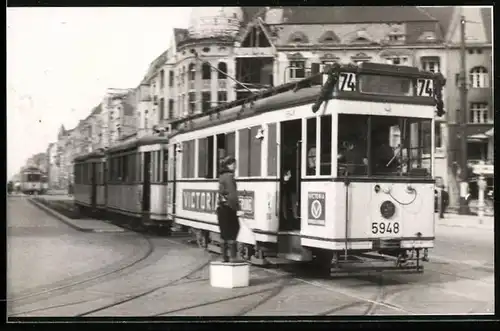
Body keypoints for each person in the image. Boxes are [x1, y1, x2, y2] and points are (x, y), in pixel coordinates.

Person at [217, 156, 241, 263]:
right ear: (229, 165)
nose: (235, 166)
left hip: (221, 208)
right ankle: (233, 257)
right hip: (228, 207)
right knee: (233, 230)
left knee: (224, 233)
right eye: (233, 164)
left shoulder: (221, 176)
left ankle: (224, 257)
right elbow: (232, 195)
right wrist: (237, 208)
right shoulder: (229, 177)